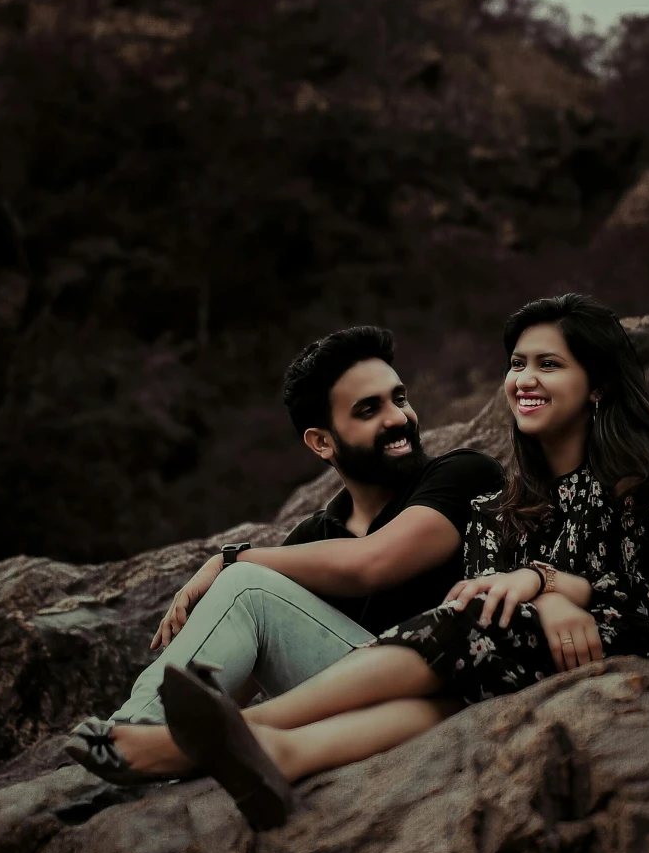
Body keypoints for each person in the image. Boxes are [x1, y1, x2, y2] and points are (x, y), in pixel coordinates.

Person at [134, 293, 649, 828]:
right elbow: (490, 597)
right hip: (477, 691)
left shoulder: (641, 487)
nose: (524, 378)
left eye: (548, 364)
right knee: (469, 628)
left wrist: (550, 587)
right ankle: (255, 745)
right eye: (518, 363)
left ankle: (210, 737)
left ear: (597, 385)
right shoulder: (499, 509)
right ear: (321, 441)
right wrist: (546, 590)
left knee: (464, 624)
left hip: (641, 674)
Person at [65, 324, 501, 783]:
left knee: (244, 588)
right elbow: (246, 663)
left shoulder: (463, 474)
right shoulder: (314, 536)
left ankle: (135, 740)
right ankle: (153, 743)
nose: (398, 417)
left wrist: (230, 561)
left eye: (399, 397)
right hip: (345, 710)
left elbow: (373, 563)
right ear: (321, 442)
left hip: (442, 690)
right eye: (369, 409)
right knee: (244, 597)